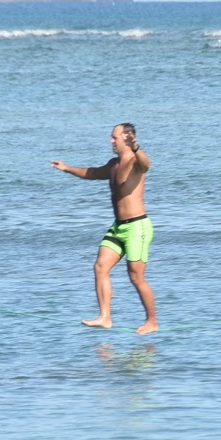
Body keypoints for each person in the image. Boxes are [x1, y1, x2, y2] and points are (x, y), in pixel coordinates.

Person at [52, 123, 158, 334]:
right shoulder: (114, 165)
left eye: (114, 137)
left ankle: (152, 321)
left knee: (136, 277)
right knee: (100, 267)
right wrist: (67, 168)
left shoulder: (136, 162)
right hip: (118, 227)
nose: (111, 141)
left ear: (127, 139)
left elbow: (147, 164)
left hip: (137, 227)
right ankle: (105, 317)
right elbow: (91, 173)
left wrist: (137, 149)